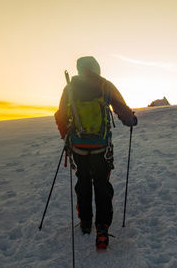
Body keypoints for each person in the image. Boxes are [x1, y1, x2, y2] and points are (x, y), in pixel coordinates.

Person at [54, 56, 137, 249]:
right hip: (101, 147)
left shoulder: (69, 88)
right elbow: (121, 109)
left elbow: (61, 115)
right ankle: (102, 227)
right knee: (101, 184)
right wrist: (131, 120)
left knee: (82, 181)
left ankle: (85, 223)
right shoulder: (105, 85)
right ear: (96, 68)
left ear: (80, 69)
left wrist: (65, 136)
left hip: (78, 147)